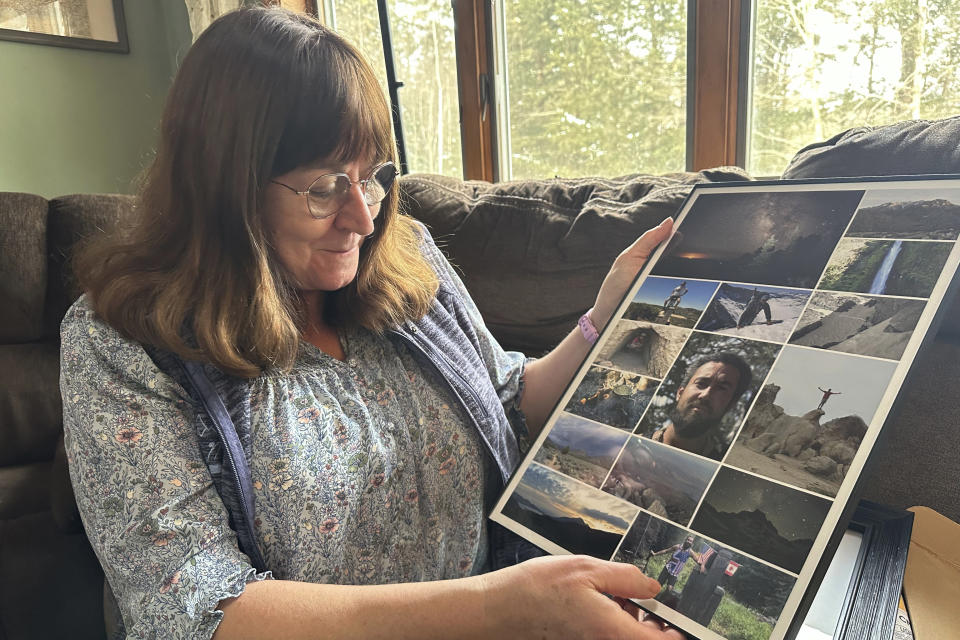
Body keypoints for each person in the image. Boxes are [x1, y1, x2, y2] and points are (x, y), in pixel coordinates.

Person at [58, 7, 685, 640]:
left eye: (373, 178)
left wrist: (603, 319)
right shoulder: (121, 341)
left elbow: (509, 401)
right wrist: (501, 606)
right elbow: (194, 611)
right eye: (326, 187)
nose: (362, 218)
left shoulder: (406, 256)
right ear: (226, 186)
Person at [650, 353, 752, 460]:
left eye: (721, 388)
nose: (706, 395)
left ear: (730, 405)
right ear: (680, 393)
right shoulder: (638, 437)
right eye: (701, 383)